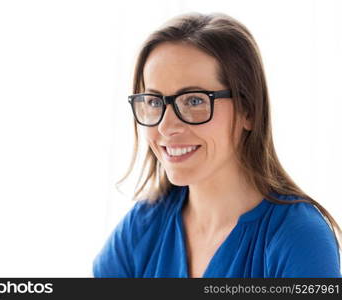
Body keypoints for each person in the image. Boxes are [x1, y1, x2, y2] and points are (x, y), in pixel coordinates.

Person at [92, 12, 342, 278]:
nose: (166, 127)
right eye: (154, 102)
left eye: (194, 101)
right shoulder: (143, 226)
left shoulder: (298, 238)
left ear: (249, 111)